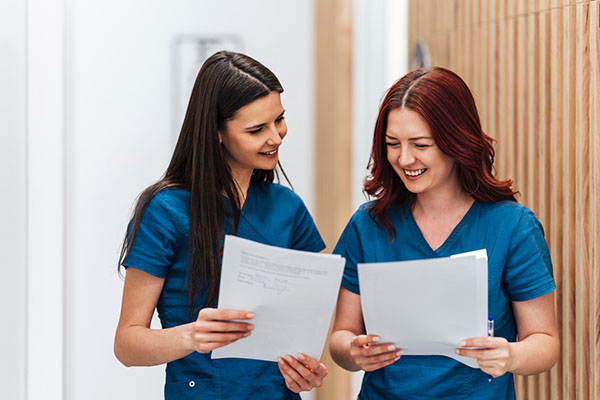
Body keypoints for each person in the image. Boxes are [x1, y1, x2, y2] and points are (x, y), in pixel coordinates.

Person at [329, 67, 559, 399]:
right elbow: (342, 335)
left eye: (420, 144)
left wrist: (510, 355)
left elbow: (545, 341)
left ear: (456, 141)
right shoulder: (367, 226)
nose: (404, 158)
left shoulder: (511, 226)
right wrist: (353, 351)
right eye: (393, 144)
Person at [114, 50, 328, 399]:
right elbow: (127, 344)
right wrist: (191, 336)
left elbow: (304, 326)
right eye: (257, 129)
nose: (275, 137)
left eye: (280, 119)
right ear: (217, 132)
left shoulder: (287, 208)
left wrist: (305, 372)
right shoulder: (165, 211)